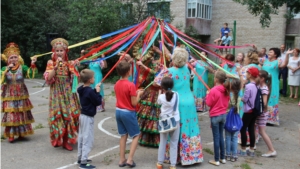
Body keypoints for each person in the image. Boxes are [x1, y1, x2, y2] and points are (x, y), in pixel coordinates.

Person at [166, 47, 203, 165]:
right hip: (190, 101)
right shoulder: (187, 69)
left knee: (177, 128)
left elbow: (159, 82)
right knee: (190, 126)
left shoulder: (170, 71)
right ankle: (192, 156)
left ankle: (176, 157)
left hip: (178, 102)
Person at [43, 38, 81, 150]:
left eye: (61, 50)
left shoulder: (69, 63)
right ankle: (58, 138)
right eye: (57, 51)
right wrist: (55, 68)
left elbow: (75, 80)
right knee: (58, 116)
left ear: (65, 51)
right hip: (57, 94)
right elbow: (48, 78)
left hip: (68, 93)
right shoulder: (51, 63)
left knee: (69, 115)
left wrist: (75, 68)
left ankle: (66, 140)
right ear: (54, 52)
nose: (59, 53)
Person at [1, 44, 37, 143]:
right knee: (11, 113)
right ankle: (11, 134)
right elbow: (1, 78)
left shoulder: (23, 67)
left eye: (15, 57)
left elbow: (30, 74)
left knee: (21, 113)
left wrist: (32, 64)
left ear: (18, 58)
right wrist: (7, 69)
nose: (13, 59)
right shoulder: (4, 69)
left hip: (21, 94)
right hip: (9, 95)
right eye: (11, 57)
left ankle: (21, 133)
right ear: (8, 59)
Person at [114, 61, 144, 168]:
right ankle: (130, 160)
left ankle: (122, 159)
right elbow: (134, 103)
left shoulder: (117, 83)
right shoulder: (130, 85)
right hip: (128, 113)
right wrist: (139, 94)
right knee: (136, 135)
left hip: (118, 111)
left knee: (123, 135)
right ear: (128, 72)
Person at [77, 69, 102, 169]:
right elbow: (97, 102)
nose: (94, 79)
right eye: (93, 78)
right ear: (90, 80)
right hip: (87, 117)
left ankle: (80, 157)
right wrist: (98, 92)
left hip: (82, 116)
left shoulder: (82, 89)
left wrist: (94, 90)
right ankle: (83, 162)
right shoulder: (89, 91)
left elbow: (90, 95)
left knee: (82, 137)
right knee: (87, 138)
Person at [206, 70, 230, 166]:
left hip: (215, 115)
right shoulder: (226, 89)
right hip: (223, 115)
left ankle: (216, 159)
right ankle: (222, 158)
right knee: (221, 136)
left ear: (216, 79)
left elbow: (208, 103)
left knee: (216, 137)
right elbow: (227, 102)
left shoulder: (213, 90)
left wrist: (208, 95)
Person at [262, 48, 291, 125]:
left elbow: (284, 65)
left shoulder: (278, 61)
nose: (269, 53)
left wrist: (287, 55)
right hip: (263, 83)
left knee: (271, 99)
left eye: (271, 52)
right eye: (269, 51)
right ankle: (263, 117)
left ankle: (271, 119)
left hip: (273, 83)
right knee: (263, 99)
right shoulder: (265, 61)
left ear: (275, 54)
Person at [156, 77, 180, 169]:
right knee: (174, 142)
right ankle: (173, 165)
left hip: (164, 121)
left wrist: (159, 93)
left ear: (162, 87)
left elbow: (158, 103)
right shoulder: (177, 95)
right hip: (175, 120)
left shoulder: (161, 97)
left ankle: (159, 163)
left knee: (162, 142)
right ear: (172, 85)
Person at [256, 70, 277, 157]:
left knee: (262, 131)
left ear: (262, 79)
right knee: (254, 128)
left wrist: (257, 109)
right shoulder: (259, 86)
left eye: (258, 76)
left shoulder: (264, 88)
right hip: (259, 112)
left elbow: (264, 102)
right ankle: (251, 147)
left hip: (261, 113)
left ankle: (271, 150)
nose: (256, 77)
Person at [239, 67, 259, 157]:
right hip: (255, 110)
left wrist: (240, 98)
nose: (245, 74)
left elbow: (245, 99)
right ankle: (251, 149)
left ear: (250, 75)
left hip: (248, 110)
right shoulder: (256, 85)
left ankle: (243, 149)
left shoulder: (248, 86)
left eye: (246, 72)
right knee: (251, 129)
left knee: (243, 129)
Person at [225, 78, 241, 162]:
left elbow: (227, 107)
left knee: (228, 137)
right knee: (235, 138)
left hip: (229, 120)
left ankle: (227, 154)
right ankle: (234, 155)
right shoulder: (239, 97)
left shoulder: (230, 96)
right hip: (236, 120)